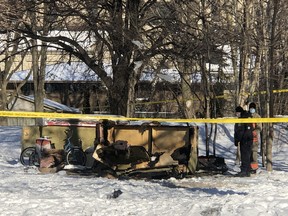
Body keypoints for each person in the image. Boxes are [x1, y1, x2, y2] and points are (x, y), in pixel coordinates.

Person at [234, 107, 254, 177]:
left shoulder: (244, 118)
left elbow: (242, 131)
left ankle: (244, 171)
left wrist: (238, 139)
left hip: (245, 139)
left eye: (237, 113)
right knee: (246, 155)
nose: (236, 114)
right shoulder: (244, 118)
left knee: (245, 155)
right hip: (246, 139)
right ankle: (247, 170)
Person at [248, 102, 262, 173]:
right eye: (250, 108)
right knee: (247, 152)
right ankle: (247, 167)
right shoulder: (247, 116)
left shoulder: (257, 116)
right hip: (247, 138)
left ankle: (255, 168)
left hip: (254, 138)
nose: (251, 109)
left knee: (254, 153)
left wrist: (255, 132)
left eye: (253, 108)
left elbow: (259, 127)